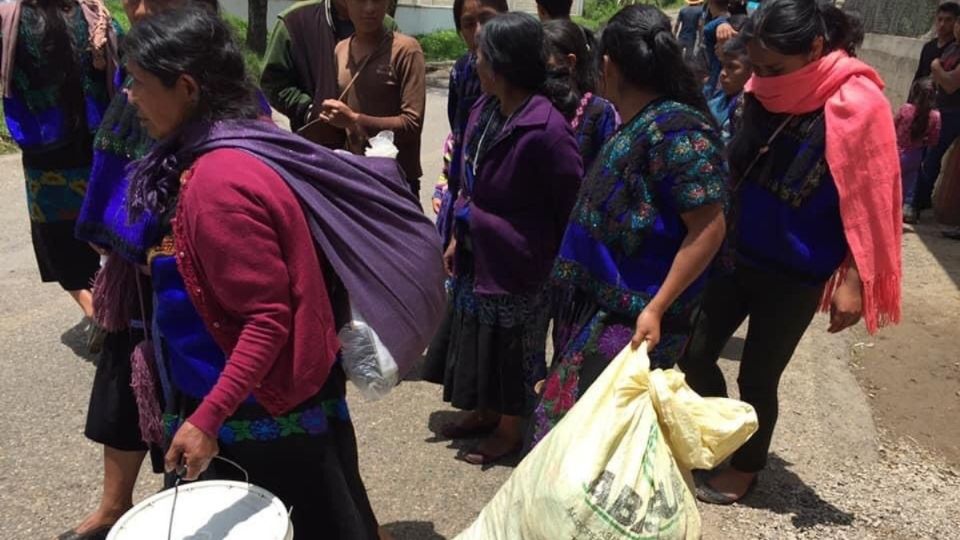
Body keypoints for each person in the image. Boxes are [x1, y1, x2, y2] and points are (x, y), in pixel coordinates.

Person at [123, 7, 443, 538]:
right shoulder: (242, 142)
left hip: (256, 417)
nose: (129, 97)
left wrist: (207, 419)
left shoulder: (218, 181)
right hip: (280, 397)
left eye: (137, 82)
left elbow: (267, 319)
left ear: (185, 87)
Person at [678, 0, 901, 504]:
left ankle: (748, 467)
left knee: (759, 374)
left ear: (816, 48)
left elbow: (870, 199)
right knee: (693, 352)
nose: (761, 79)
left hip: (796, 270)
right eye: (755, 67)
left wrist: (854, 281)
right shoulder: (764, 84)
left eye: (773, 69)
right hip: (736, 251)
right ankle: (725, 436)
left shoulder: (859, 104)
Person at [530, 4, 727, 446]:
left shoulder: (679, 131)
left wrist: (656, 308)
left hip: (633, 317)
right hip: (597, 307)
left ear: (607, 65)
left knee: (595, 438)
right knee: (580, 434)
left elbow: (708, 227)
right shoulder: (637, 121)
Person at [65, 1, 221, 539]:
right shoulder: (136, 80)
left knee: (189, 389)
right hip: (132, 280)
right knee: (123, 384)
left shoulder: (213, 88)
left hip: (193, 281)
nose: (141, 8)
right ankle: (114, 505)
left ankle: (196, 503)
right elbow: (113, 168)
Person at [423, 12, 583, 465]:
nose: (475, 62)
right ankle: (485, 411)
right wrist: (457, 233)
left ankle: (512, 428)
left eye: (482, 56)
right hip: (479, 251)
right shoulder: (484, 109)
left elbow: (568, 207)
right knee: (480, 335)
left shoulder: (547, 131)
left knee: (516, 348)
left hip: (521, 262)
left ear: (502, 66)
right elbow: (464, 180)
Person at [0, 0, 119, 349]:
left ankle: (100, 313)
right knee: (107, 234)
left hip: (46, 154)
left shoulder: (9, 18)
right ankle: (116, 305)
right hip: (98, 145)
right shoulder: (94, 14)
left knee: (57, 244)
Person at [320, 0, 426, 195]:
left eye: (377, 0)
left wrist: (354, 120)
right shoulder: (340, 50)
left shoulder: (406, 50)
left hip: (396, 182)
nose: (369, 8)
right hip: (355, 176)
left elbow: (412, 124)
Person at [259, 0, 397, 146]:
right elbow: (273, 82)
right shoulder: (295, 21)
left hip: (373, 146)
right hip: (317, 148)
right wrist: (309, 111)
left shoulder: (385, 25)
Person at [432, 0, 508, 237]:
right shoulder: (461, 71)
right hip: (462, 193)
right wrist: (445, 184)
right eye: (468, 24)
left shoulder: (523, 72)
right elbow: (457, 134)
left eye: (487, 19)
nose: (478, 32)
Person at [542, 18, 619, 171]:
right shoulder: (538, 105)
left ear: (570, 62)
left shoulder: (600, 113)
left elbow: (606, 171)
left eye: (545, 62)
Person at [914, 16, 960, 223]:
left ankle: (917, 202)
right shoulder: (952, 49)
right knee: (924, 155)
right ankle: (920, 200)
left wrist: (936, 67)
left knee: (931, 158)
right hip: (940, 108)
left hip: (953, 113)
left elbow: (950, 84)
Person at [898, 78, 941, 222]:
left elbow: (892, 127)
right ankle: (896, 217)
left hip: (897, 153)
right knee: (903, 191)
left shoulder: (905, 109)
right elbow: (933, 141)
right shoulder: (935, 117)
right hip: (915, 157)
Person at [708, 19, 751, 143]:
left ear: (752, 70)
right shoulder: (720, 97)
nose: (723, 73)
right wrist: (721, 23)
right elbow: (708, 31)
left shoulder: (745, 109)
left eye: (732, 67)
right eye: (723, 65)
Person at [914, 1, 960, 83]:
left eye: (948, 20)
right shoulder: (928, 47)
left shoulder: (956, 50)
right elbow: (918, 75)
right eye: (940, 19)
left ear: (956, 22)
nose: (942, 24)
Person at [702, 0, 731, 95]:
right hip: (729, 74)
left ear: (711, 3)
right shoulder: (736, 19)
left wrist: (722, 23)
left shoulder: (710, 27)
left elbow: (720, 23)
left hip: (715, 74)